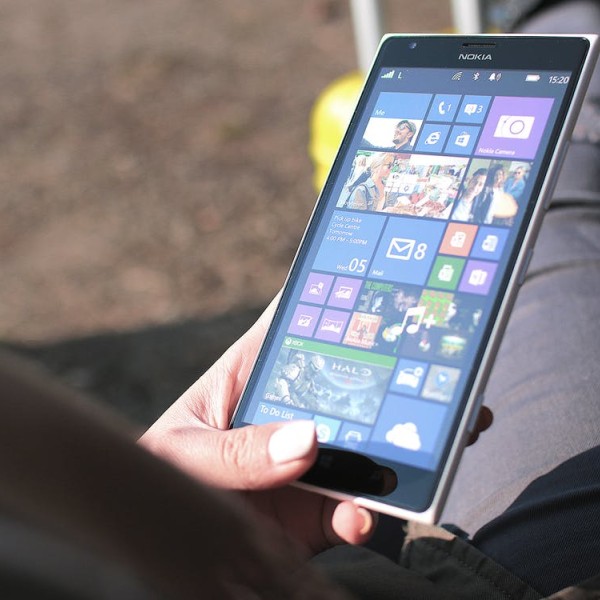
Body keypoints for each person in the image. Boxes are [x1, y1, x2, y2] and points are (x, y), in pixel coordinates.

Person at [1, 1, 599, 598]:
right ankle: (556, 16)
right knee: (562, 201)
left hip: (325, 557)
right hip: (482, 580)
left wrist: (184, 532)